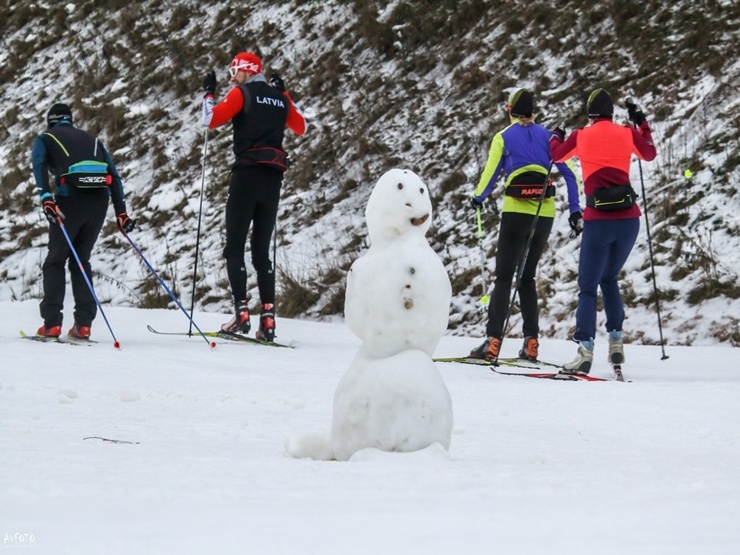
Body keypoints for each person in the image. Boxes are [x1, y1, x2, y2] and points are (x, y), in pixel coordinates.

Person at [469, 88, 582, 362]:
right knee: (527, 277)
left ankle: (493, 341)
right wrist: (575, 210)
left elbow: (491, 173)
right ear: (534, 112)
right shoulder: (548, 137)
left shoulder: (503, 137)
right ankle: (531, 343)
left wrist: (478, 198)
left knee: (505, 277)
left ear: (510, 110)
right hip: (544, 214)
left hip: (516, 212)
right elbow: (570, 175)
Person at [201, 51, 306, 341]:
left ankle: (241, 314)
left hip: (246, 175)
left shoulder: (242, 94)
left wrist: (208, 93)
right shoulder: (280, 99)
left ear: (246, 70)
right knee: (261, 251)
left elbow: (210, 120)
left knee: (234, 247)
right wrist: (285, 93)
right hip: (273, 180)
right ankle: (269, 321)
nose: (232, 79)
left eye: (234, 72)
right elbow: (301, 127)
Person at [550, 88, 656, 374]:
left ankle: (585, 351)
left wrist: (557, 135)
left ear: (590, 113)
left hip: (598, 221)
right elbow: (649, 153)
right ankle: (617, 342)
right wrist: (641, 122)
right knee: (609, 279)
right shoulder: (626, 132)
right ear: (611, 113)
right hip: (629, 222)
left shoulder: (580, 135)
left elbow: (556, 155)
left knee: (587, 287)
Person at [32, 103, 134, 339]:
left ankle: (52, 324)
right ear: (70, 119)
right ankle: (84, 325)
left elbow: (39, 165)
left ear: (51, 121)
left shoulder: (46, 137)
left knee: (55, 260)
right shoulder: (94, 140)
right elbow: (114, 176)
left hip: (69, 201)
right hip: (99, 203)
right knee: (80, 260)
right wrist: (121, 213)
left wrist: (46, 197)